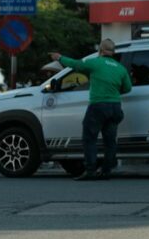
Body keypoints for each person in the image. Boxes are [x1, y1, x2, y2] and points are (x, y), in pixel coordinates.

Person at [50, 39, 132, 181]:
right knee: (110, 141)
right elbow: (127, 88)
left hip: (98, 106)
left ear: (100, 50)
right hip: (115, 108)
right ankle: (106, 171)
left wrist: (59, 58)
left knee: (89, 138)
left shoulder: (95, 63)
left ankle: (90, 171)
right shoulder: (120, 68)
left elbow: (76, 65)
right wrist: (113, 92)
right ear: (113, 52)